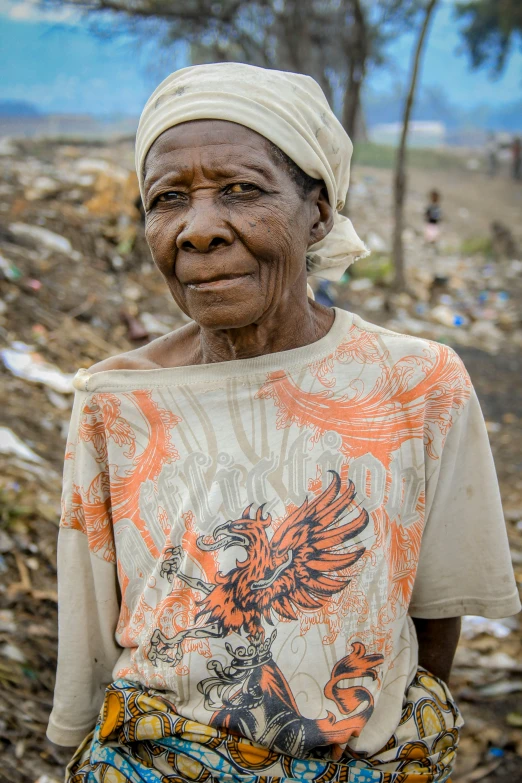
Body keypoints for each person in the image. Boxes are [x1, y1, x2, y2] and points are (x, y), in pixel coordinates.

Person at [47, 63, 520, 783]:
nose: (200, 229)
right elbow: (88, 631)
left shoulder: (417, 383)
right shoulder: (115, 401)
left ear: (319, 212)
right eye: (168, 198)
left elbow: (435, 612)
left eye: (242, 190)